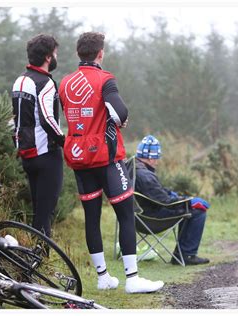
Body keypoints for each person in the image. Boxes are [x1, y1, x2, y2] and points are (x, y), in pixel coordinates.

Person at [59, 32, 163, 293]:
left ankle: (102, 277)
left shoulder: (65, 83)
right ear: (100, 53)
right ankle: (132, 279)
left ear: (78, 53)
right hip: (106, 158)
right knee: (126, 214)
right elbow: (121, 110)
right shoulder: (106, 79)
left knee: (91, 218)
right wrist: (119, 120)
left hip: (79, 159)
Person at [11, 34, 65, 238]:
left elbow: (14, 120)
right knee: (45, 215)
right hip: (47, 156)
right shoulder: (46, 83)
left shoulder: (20, 81)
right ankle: (41, 263)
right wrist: (64, 141)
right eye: (56, 53)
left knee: (38, 213)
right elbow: (47, 119)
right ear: (49, 57)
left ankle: (33, 261)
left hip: (26, 155)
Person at [134, 135, 210, 265]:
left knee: (186, 208)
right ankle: (186, 255)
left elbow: (156, 192)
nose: (157, 161)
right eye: (156, 158)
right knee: (197, 212)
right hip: (151, 218)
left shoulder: (133, 167)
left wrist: (173, 194)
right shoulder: (145, 175)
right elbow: (164, 201)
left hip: (135, 216)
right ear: (150, 158)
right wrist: (189, 201)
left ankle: (181, 254)